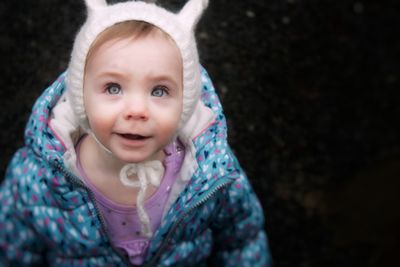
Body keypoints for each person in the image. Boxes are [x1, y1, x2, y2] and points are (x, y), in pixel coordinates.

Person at [0, 0, 272, 266]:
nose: (137, 110)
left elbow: (242, 239)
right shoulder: (39, 176)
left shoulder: (210, 172)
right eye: (113, 88)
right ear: (80, 96)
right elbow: (13, 247)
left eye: (159, 91)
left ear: (186, 103)